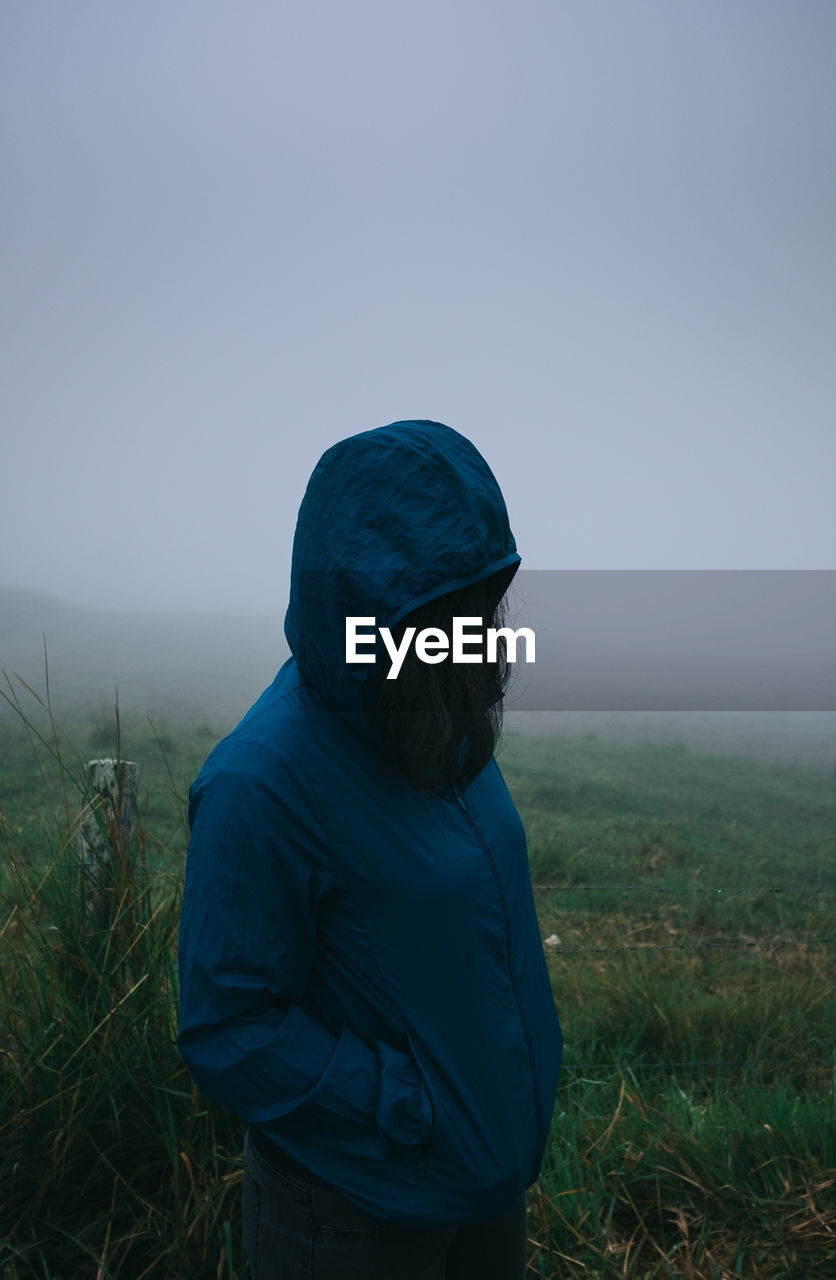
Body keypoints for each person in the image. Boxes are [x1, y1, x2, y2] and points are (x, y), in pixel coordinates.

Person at [177, 419, 564, 1280]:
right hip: (357, 1216)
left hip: (483, 1185)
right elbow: (226, 1023)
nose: (473, 645)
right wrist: (409, 1109)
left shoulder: (439, 717)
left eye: (479, 609)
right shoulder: (260, 781)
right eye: (439, 619)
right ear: (364, 613)